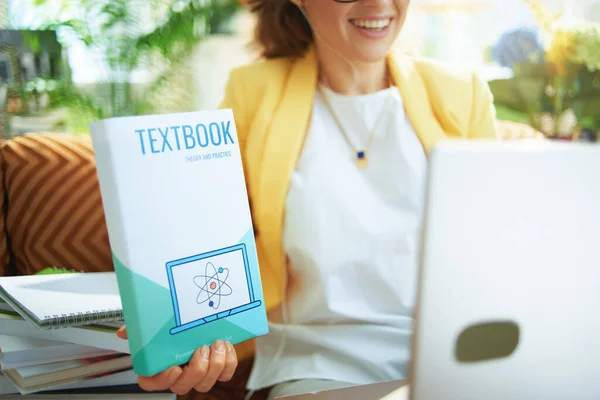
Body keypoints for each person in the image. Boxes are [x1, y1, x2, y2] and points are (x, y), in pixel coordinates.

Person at [117, 0, 506, 397]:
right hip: (318, 366)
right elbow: (205, 237)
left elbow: (499, 246)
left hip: (449, 363)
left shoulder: (463, 92)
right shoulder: (254, 93)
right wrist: (171, 327)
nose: (377, 3)